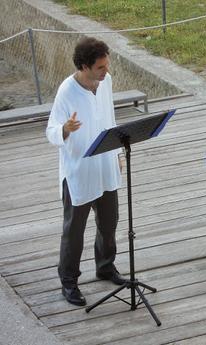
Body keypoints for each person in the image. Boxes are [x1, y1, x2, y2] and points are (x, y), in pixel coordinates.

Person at [46, 37, 126, 306]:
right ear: (84, 66)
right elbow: (50, 131)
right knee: (74, 231)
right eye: (101, 67)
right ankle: (68, 282)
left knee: (109, 223)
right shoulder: (66, 91)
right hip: (79, 170)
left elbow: (110, 119)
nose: (106, 71)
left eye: (107, 65)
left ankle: (105, 266)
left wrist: (117, 153)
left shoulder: (106, 83)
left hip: (105, 165)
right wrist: (65, 130)